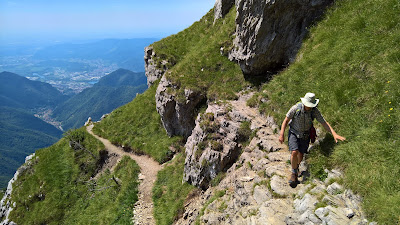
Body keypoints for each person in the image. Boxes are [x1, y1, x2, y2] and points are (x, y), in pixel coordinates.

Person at [279, 93, 346, 188]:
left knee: (301, 155)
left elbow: (324, 122)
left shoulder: (314, 111)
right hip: (294, 132)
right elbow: (286, 120)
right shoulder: (295, 108)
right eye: (308, 105)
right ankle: (294, 173)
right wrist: (282, 134)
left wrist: (334, 134)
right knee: (294, 152)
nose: (309, 107)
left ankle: (296, 166)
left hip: (305, 135)